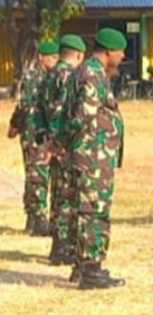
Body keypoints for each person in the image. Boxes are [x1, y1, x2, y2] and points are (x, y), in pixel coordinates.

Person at [64, 28, 127, 289]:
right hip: (92, 156)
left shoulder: (89, 71)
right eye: (121, 51)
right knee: (93, 211)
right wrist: (69, 140)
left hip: (91, 154)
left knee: (85, 210)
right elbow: (83, 113)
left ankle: (83, 267)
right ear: (109, 51)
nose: (123, 56)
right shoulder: (92, 73)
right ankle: (91, 270)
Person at [7, 40, 59, 236]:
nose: (54, 61)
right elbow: (23, 106)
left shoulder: (51, 76)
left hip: (43, 133)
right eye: (51, 57)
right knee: (37, 176)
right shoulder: (33, 77)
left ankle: (34, 218)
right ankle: (37, 219)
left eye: (56, 57)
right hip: (34, 133)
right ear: (41, 57)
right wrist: (15, 127)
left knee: (37, 175)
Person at [43, 34, 86, 266]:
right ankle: (63, 246)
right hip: (64, 144)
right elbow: (64, 112)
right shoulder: (69, 76)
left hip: (51, 140)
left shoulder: (49, 75)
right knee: (67, 196)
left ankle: (58, 245)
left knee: (57, 192)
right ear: (78, 55)